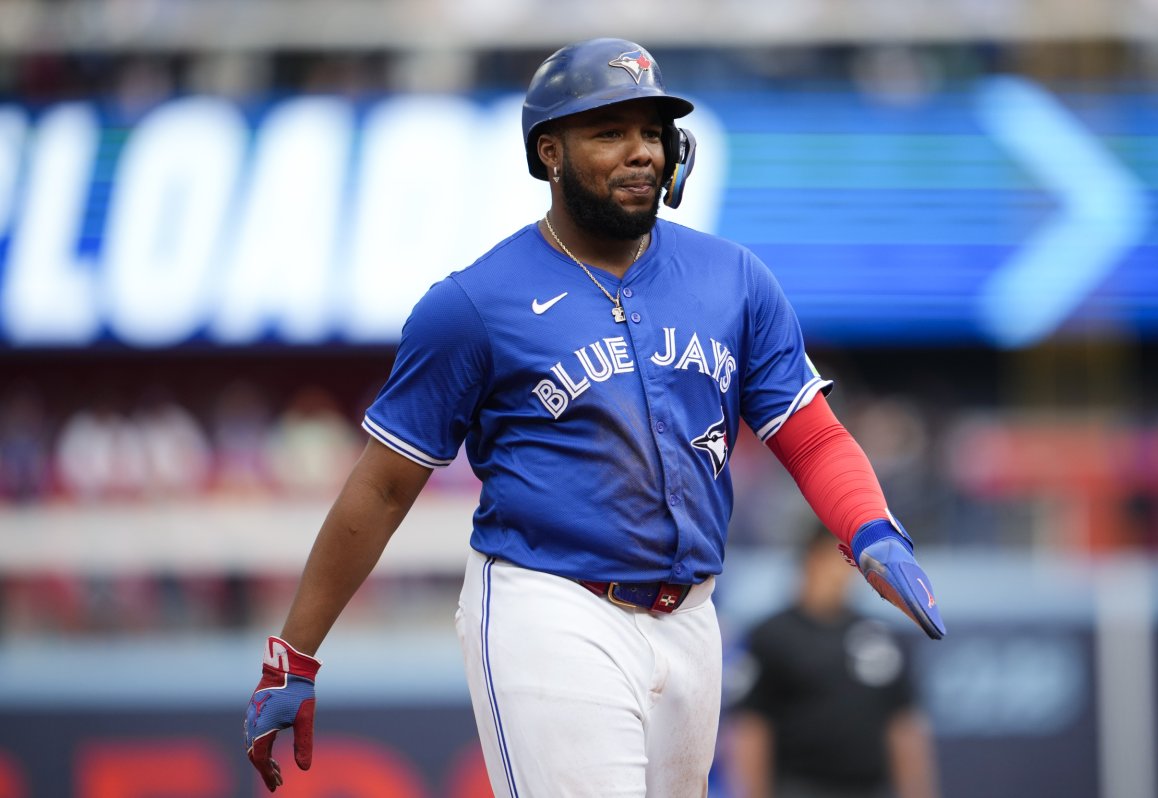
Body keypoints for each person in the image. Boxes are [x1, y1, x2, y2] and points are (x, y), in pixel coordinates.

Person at [242, 37, 946, 797]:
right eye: (609, 132)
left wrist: (870, 527)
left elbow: (807, 434)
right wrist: (297, 651)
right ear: (550, 151)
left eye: (652, 131)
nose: (640, 151)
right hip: (550, 606)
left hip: (693, 616)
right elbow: (381, 488)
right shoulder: (474, 305)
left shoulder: (735, 278)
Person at [723, 533, 941, 798]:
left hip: (869, 789)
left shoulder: (882, 637)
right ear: (811, 560)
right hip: (797, 788)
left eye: (851, 562)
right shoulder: (771, 635)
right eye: (837, 559)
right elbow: (751, 728)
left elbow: (904, 725)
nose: (844, 572)